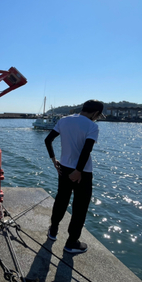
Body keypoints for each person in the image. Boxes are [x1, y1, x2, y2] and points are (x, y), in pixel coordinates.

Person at [45, 100, 105, 254]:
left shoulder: (64, 120)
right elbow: (86, 151)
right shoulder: (92, 126)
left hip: (63, 168)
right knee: (80, 206)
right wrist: (78, 171)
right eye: (98, 115)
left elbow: (48, 140)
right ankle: (71, 243)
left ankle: (53, 231)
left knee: (61, 199)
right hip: (82, 172)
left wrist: (54, 160)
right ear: (95, 113)